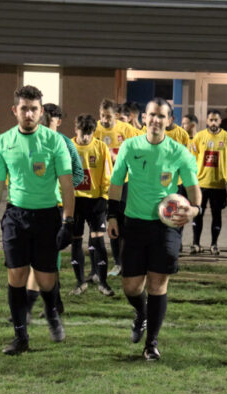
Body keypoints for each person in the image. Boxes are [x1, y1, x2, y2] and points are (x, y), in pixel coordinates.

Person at [0, 85, 75, 355]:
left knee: (46, 280)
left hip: (48, 216)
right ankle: (20, 338)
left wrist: (68, 222)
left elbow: (67, 185)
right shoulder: (4, 141)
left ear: (41, 111)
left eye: (34, 109)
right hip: (15, 216)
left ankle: (51, 311)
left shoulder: (54, 141)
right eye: (24, 108)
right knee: (17, 276)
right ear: (15, 110)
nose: (29, 113)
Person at [107, 98, 201, 361]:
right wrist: (112, 216)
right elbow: (115, 184)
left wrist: (194, 210)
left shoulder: (179, 152)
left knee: (158, 284)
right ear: (144, 118)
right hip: (134, 224)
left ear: (169, 121)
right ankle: (141, 313)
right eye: (152, 115)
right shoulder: (130, 146)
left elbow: (194, 191)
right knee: (131, 287)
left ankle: (151, 344)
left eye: (162, 116)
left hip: (165, 228)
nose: (156, 120)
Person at [19, 103, 85, 321]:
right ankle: (54, 304)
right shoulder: (33, 142)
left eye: (52, 118)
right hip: (34, 206)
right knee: (35, 257)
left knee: (49, 258)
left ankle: (50, 306)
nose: (48, 121)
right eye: (45, 117)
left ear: (59, 121)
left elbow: (77, 173)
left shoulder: (66, 143)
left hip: (55, 207)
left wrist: (61, 187)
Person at [69, 114, 115, 295]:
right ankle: (80, 283)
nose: (86, 136)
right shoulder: (68, 147)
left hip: (95, 202)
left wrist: (104, 198)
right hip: (74, 201)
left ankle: (103, 283)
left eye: (89, 133)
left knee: (98, 242)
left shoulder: (101, 147)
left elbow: (107, 175)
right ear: (76, 129)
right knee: (76, 242)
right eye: (83, 132)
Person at [94, 98, 140, 277]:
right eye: (102, 116)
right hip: (104, 184)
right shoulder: (95, 129)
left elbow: (140, 148)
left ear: (117, 115)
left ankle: (128, 260)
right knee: (111, 223)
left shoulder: (127, 130)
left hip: (125, 183)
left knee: (125, 222)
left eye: (108, 116)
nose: (104, 120)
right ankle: (117, 263)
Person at [190, 109, 227, 255]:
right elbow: (192, 157)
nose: (213, 122)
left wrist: (222, 173)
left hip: (218, 184)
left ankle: (214, 244)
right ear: (207, 121)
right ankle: (195, 243)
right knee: (198, 213)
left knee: (217, 215)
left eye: (216, 120)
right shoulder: (199, 137)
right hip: (201, 184)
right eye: (211, 120)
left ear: (220, 121)